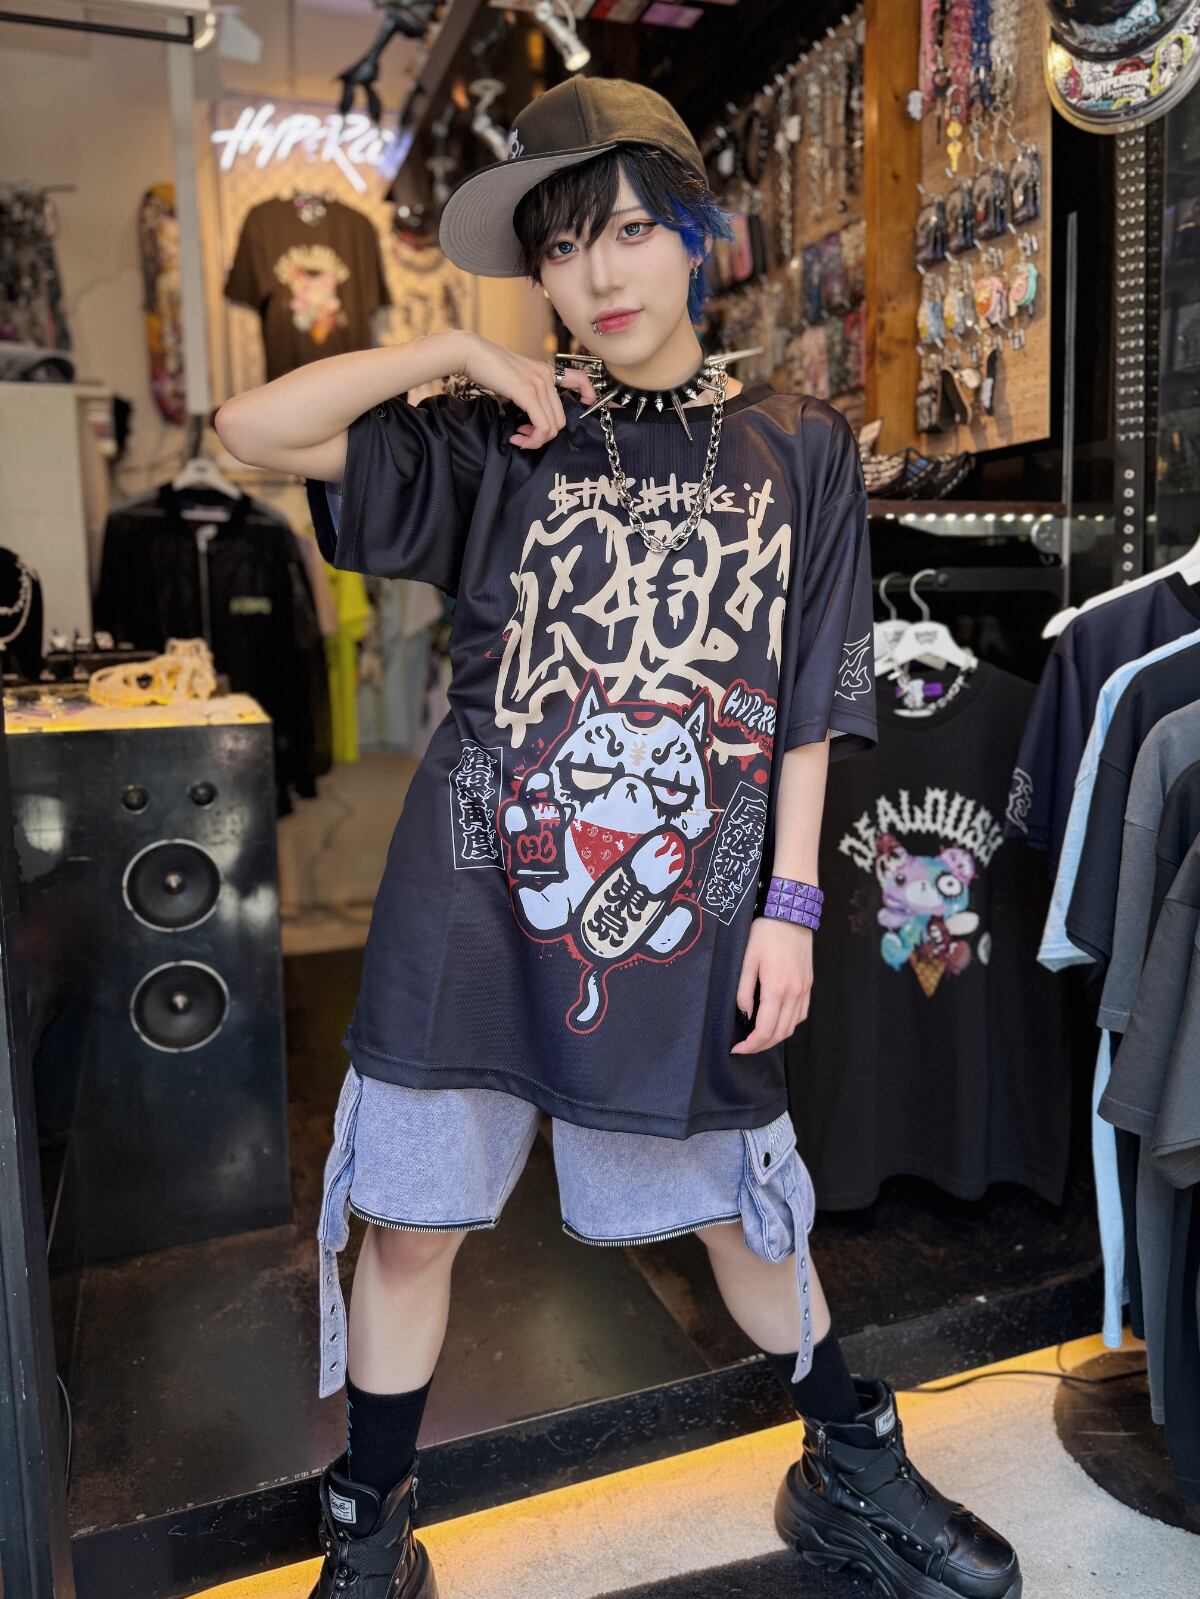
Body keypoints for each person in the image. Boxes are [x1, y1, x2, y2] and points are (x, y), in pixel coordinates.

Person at [216, 76, 1020, 1599]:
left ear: (697, 236)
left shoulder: (800, 444)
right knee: (410, 1229)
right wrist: (456, 352)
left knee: (742, 1214)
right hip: (471, 896)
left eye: (635, 230)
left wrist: (790, 904)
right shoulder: (496, 434)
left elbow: (809, 698)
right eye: (564, 246)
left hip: (688, 906)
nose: (601, 275)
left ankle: (852, 1467)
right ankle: (371, 1535)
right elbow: (247, 426)